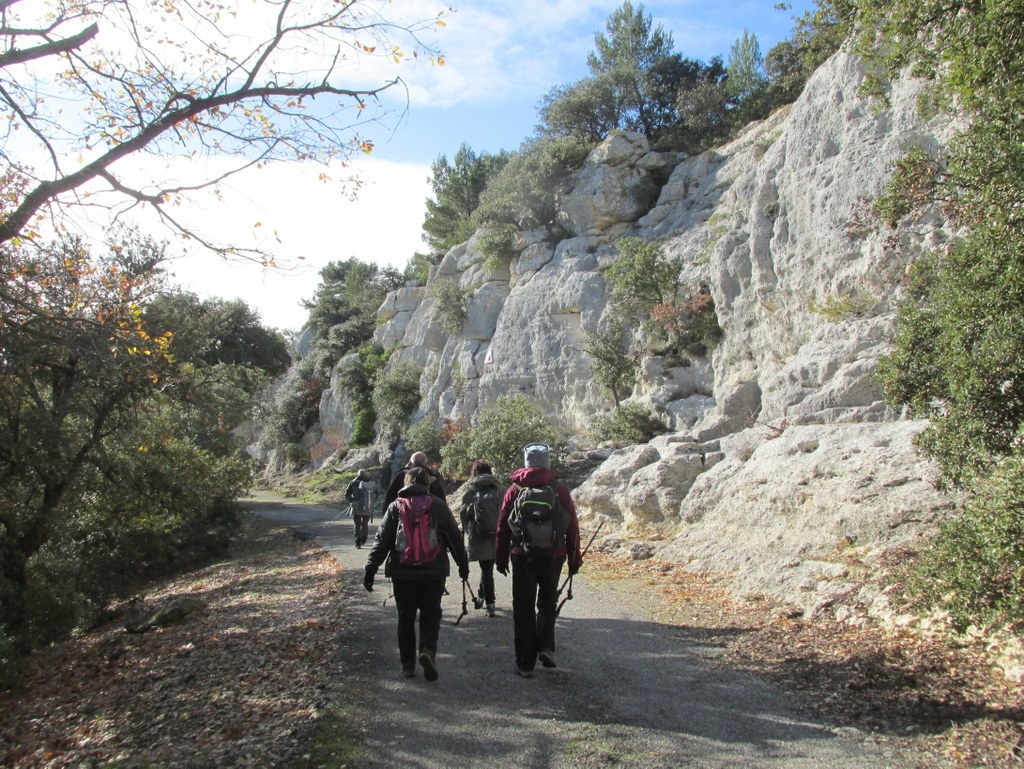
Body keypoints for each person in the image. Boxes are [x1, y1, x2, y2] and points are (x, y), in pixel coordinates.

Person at [363, 465, 469, 681]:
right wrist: (463, 566)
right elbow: (455, 538)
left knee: (405, 617)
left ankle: (408, 665)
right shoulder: (438, 506)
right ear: (426, 484)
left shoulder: (395, 507)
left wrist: (371, 568)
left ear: (407, 482)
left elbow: (382, 541)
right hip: (433, 572)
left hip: (403, 573)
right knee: (431, 615)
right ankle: (428, 651)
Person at [495, 443, 582, 678]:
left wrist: (501, 557)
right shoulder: (558, 489)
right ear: (547, 462)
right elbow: (571, 524)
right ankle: (545, 647)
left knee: (523, 608)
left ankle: (524, 663)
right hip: (553, 555)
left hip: (522, 556)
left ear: (526, 462)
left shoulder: (514, 489)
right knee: (547, 602)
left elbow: (503, 525)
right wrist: (575, 556)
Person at [457, 460, 505, 617]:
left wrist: (466, 530)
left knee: (486, 568)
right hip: (497, 533)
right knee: (487, 566)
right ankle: (482, 595)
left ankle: (490, 602)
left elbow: (463, 512)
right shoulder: (499, 488)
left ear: (474, 472)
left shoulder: (471, 489)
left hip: (478, 533)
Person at [346, 468, 377, 548]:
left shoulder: (353, 482)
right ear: (365, 474)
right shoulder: (370, 483)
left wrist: (351, 501)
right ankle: (364, 539)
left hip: (356, 506)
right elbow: (375, 494)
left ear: (358, 474)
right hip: (368, 506)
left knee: (357, 524)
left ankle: (358, 542)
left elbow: (347, 494)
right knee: (365, 524)